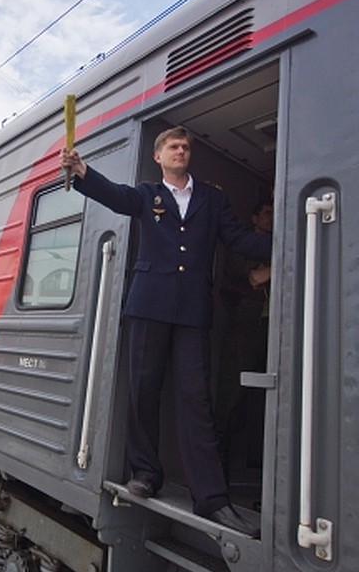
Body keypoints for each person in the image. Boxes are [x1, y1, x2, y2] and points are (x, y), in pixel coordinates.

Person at [60, 126, 272, 538]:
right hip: (148, 306)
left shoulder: (212, 199)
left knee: (196, 399)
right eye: (173, 146)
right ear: (158, 157)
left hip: (192, 311)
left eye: (186, 146)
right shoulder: (145, 195)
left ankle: (212, 498)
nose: (180, 150)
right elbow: (115, 196)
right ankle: (146, 472)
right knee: (144, 389)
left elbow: (240, 238)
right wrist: (82, 170)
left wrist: (291, 238)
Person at [215, 200, 274, 474]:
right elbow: (253, 278)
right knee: (232, 396)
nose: (272, 218)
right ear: (254, 218)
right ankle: (219, 463)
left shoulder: (279, 245)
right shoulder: (244, 245)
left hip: (270, 328)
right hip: (244, 327)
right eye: (267, 212)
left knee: (263, 401)